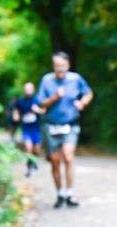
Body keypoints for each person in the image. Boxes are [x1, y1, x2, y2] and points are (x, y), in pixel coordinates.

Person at [36, 52, 94, 208]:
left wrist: (82, 102)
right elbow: (41, 104)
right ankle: (60, 193)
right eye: (57, 66)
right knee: (55, 161)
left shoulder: (75, 79)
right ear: (53, 66)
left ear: (68, 66)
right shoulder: (46, 80)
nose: (59, 69)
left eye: (62, 66)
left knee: (68, 157)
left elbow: (88, 93)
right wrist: (55, 97)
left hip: (71, 124)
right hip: (51, 124)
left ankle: (70, 193)